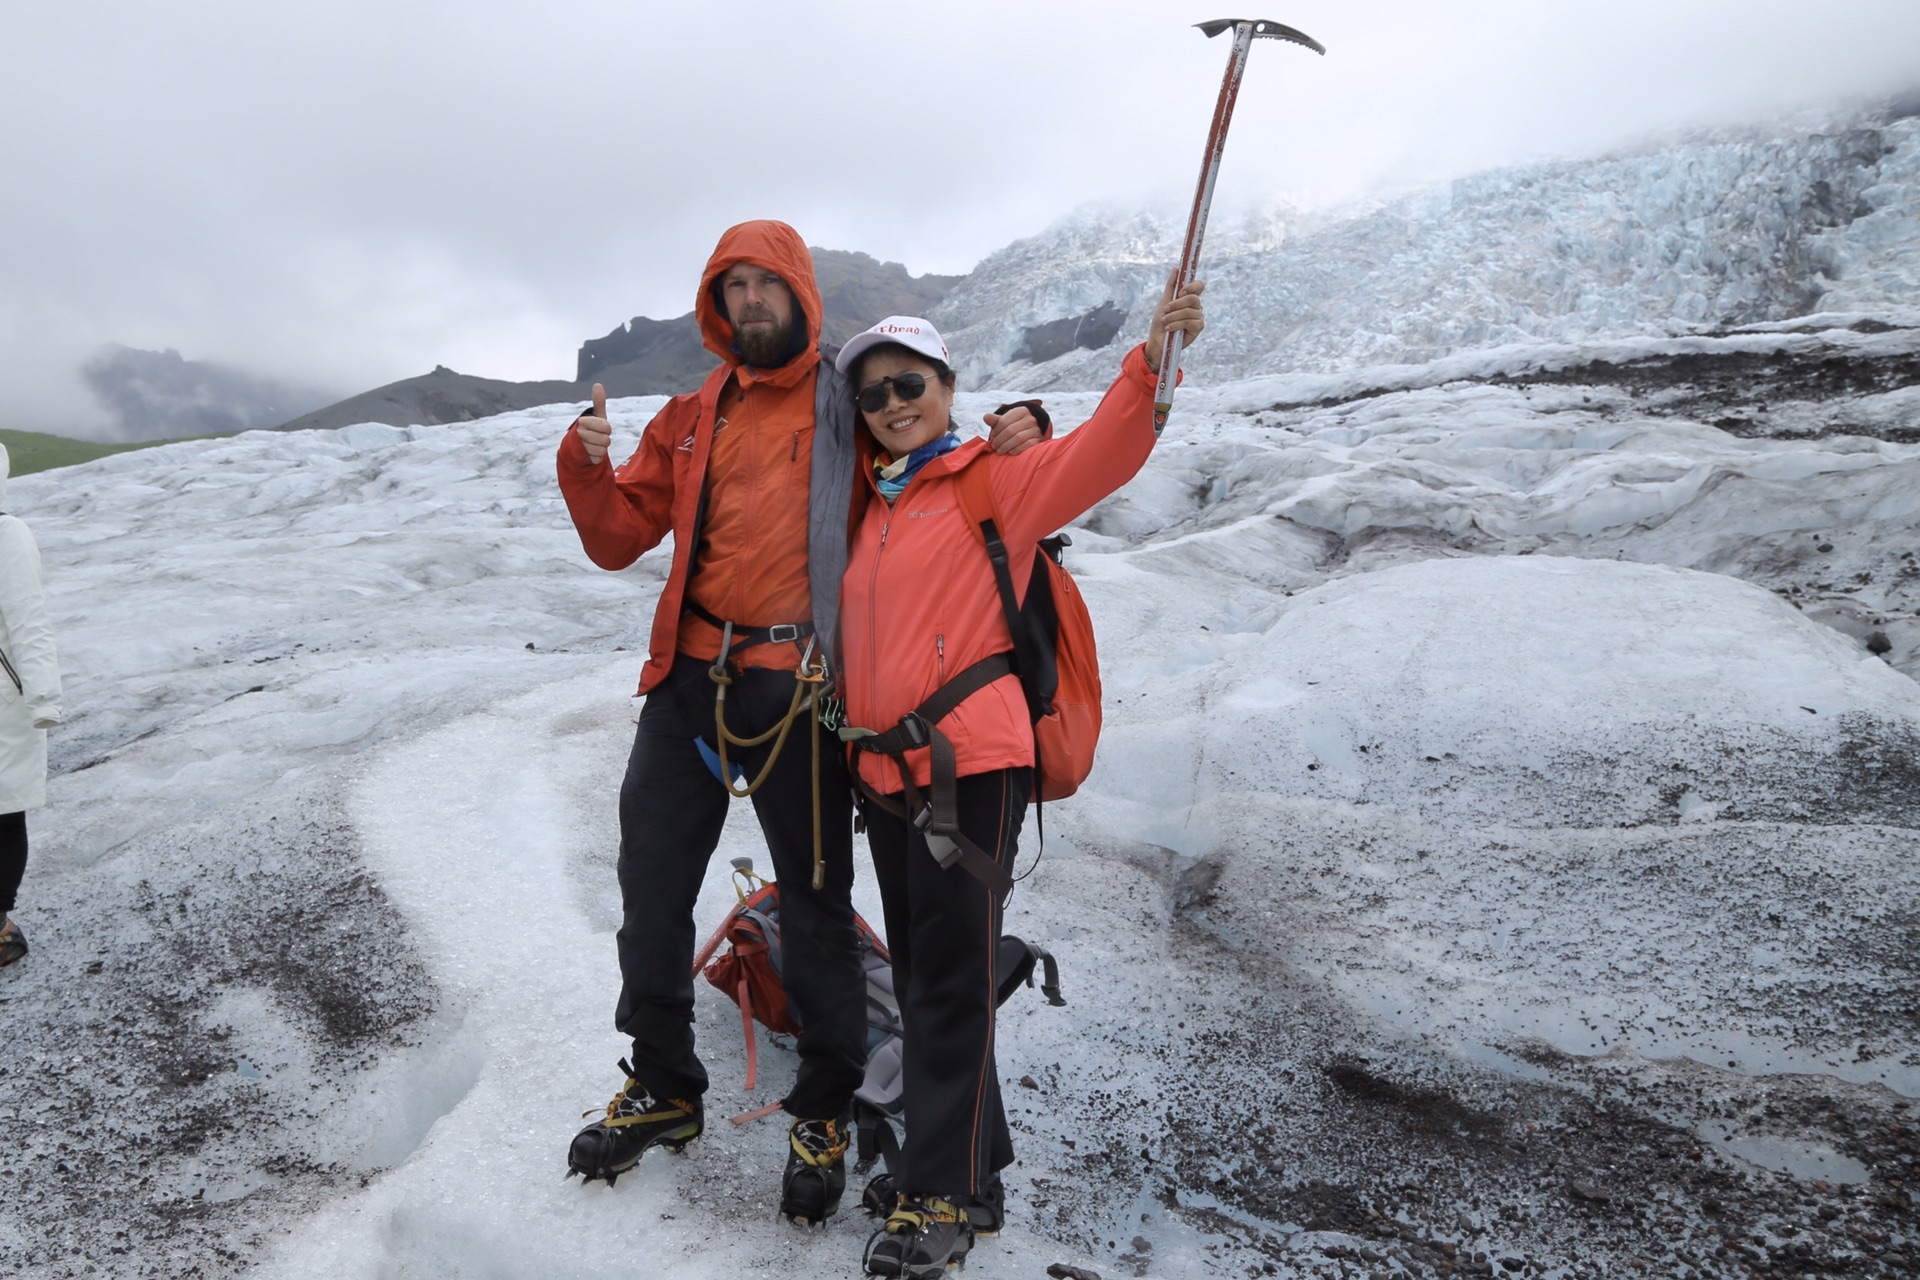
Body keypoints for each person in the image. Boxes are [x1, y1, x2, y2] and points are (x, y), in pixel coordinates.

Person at [552, 219, 1040, 1222]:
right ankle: (664, 1082)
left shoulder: (845, 404)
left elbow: (929, 442)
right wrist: (586, 462)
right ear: (715, 305)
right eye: (731, 288)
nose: (749, 302)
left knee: (816, 900)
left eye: (765, 285)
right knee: (650, 882)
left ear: (799, 293)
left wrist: (1022, 425)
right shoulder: (691, 414)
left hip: (802, 691)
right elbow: (617, 537)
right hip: (691, 681)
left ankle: (823, 1101)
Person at [832, 280, 1204, 1279]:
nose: (893, 401)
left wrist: (1149, 366)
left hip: (971, 763)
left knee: (950, 982)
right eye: (873, 393)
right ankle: (973, 1164)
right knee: (923, 979)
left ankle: (940, 1192)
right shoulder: (869, 506)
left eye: (910, 382)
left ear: (948, 387)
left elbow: (1104, 454)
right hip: (883, 770)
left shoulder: (994, 481)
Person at [0, 444, 63, 968]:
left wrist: (43, 697)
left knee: (1, 808)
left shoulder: (6, 535)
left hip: (2, 703)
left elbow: (27, 620)